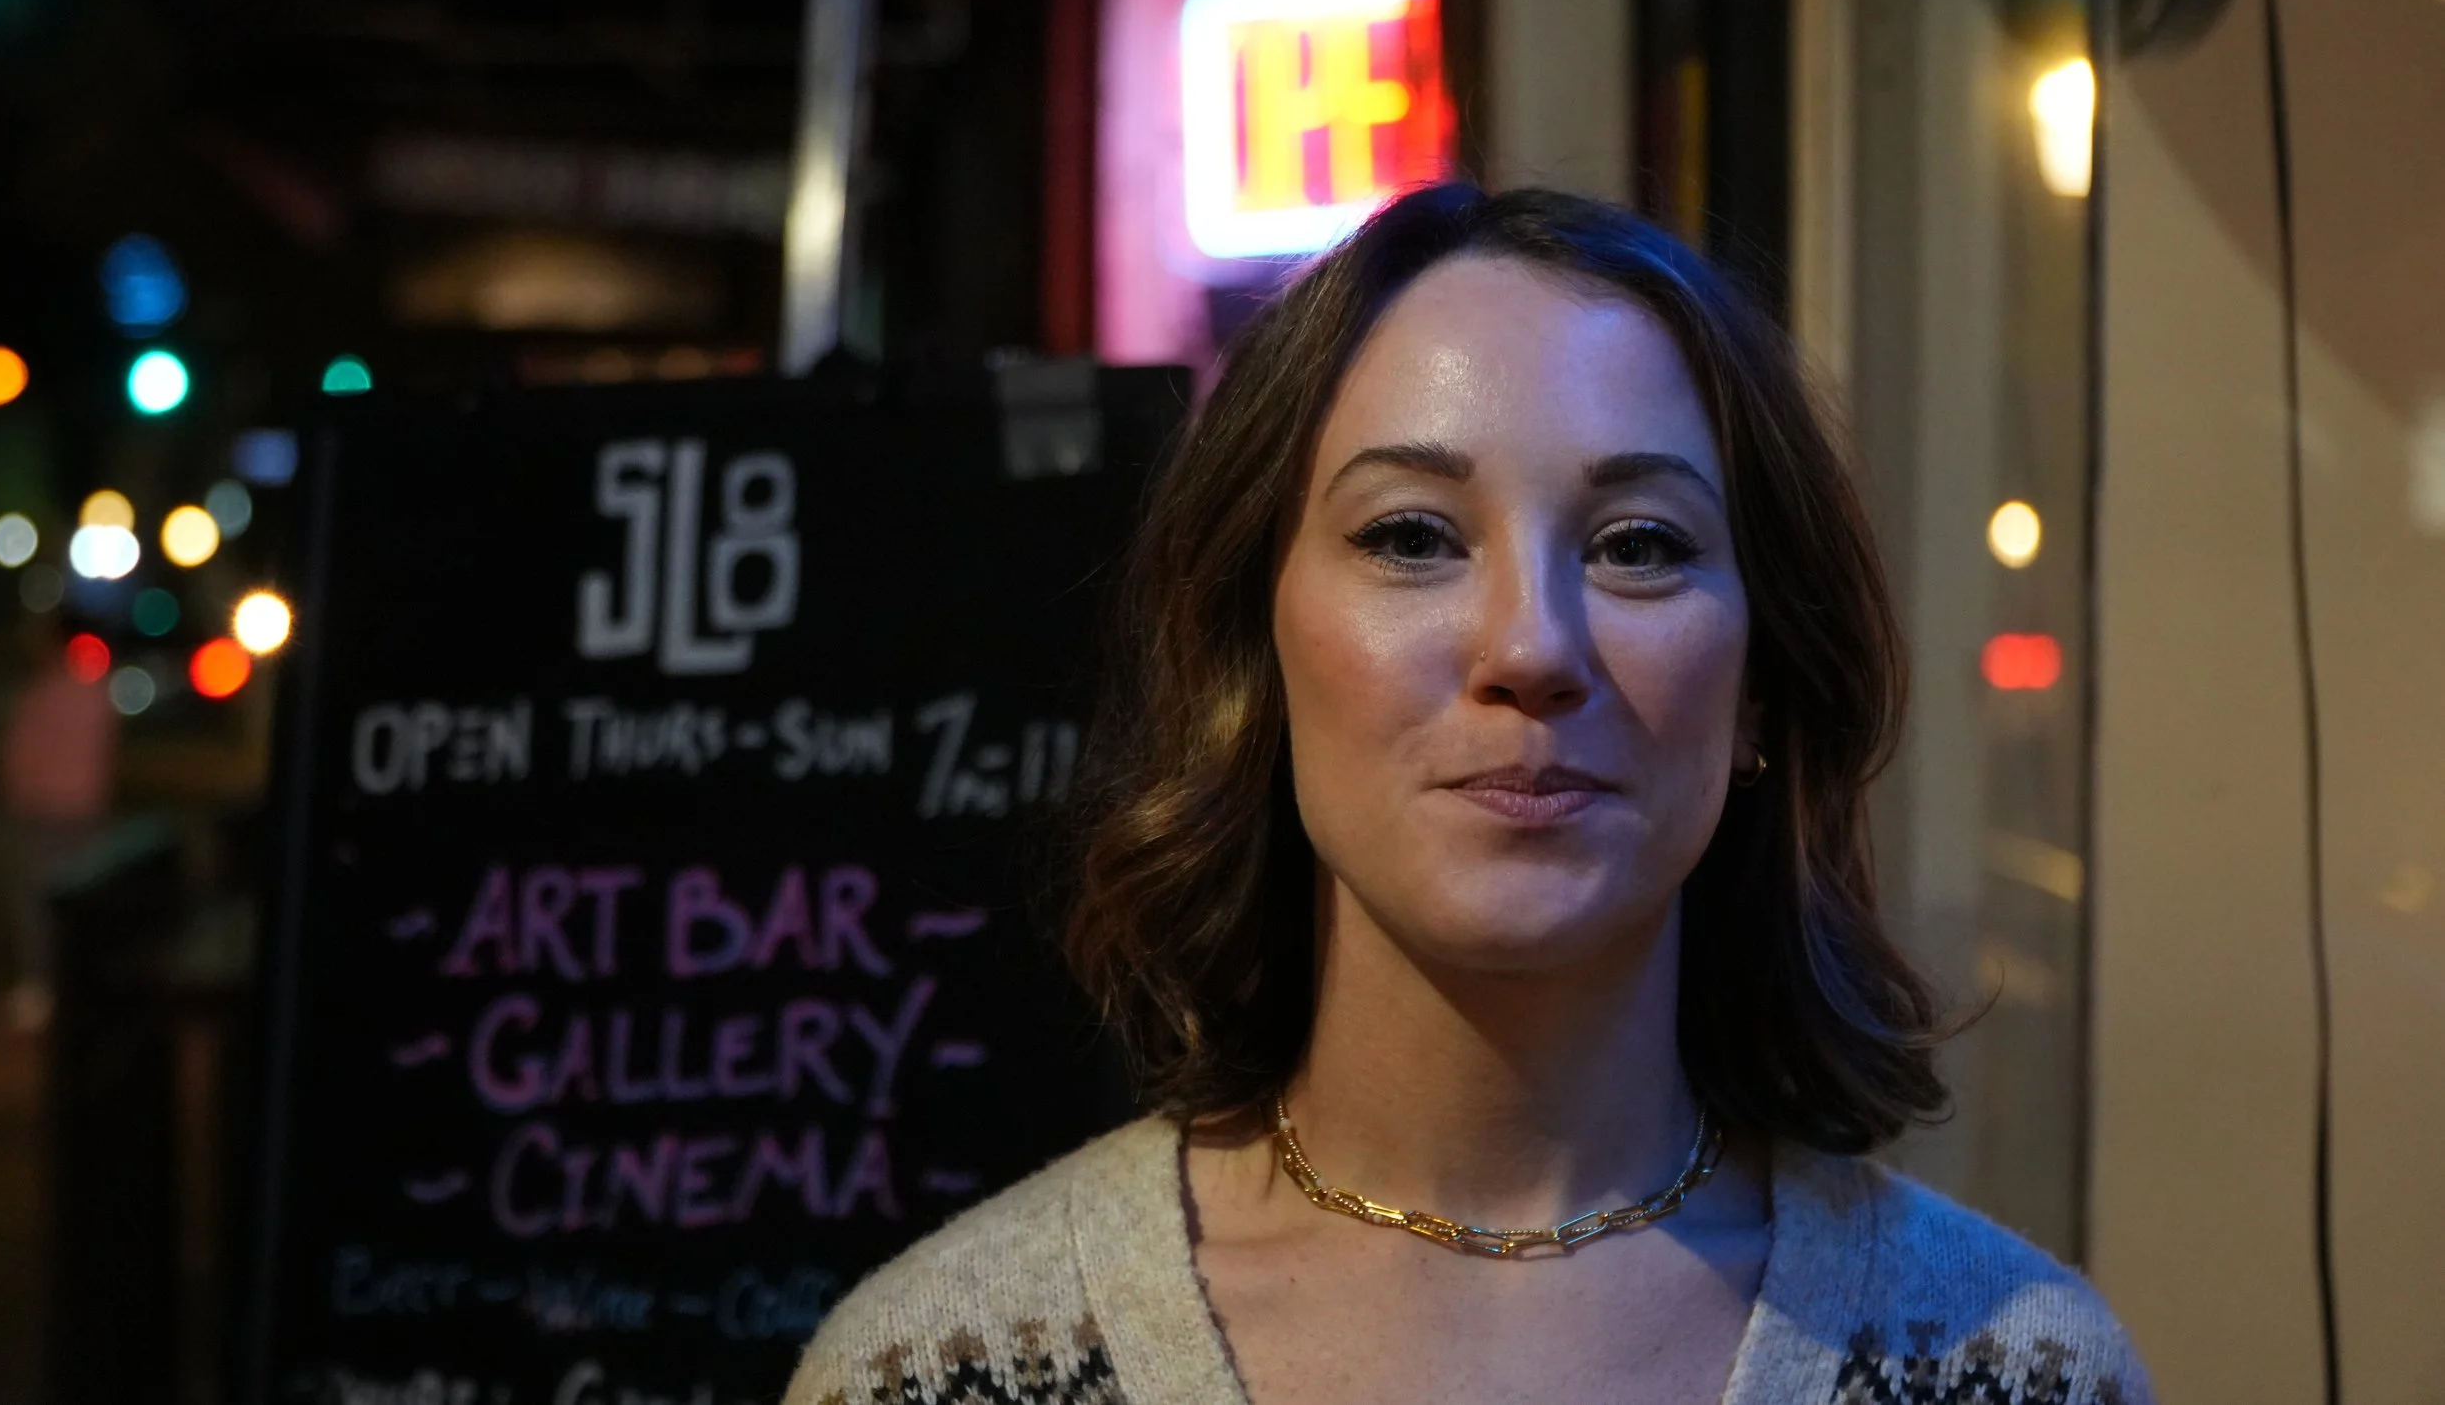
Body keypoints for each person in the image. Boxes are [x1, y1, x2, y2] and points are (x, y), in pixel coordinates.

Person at [782, 185, 2150, 1405]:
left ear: (1761, 696)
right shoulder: (950, 1367)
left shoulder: (2002, 1366)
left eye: (1639, 545)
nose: (1532, 649)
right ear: (1253, 655)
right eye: (1412, 536)